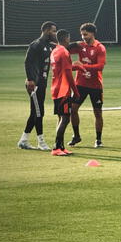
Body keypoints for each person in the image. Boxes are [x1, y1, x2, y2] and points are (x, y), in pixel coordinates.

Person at [18, 21, 57, 151]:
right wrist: (30, 79)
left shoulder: (50, 45)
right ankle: (41, 142)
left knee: (35, 112)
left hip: (42, 83)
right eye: (53, 31)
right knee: (39, 112)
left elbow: (64, 48)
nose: (54, 33)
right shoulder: (36, 44)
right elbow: (27, 62)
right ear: (46, 30)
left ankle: (23, 140)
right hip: (34, 84)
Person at [67, 23, 106, 148]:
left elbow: (100, 66)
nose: (83, 37)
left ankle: (98, 139)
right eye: (82, 34)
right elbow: (63, 50)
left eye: (85, 34)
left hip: (96, 85)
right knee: (73, 109)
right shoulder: (80, 46)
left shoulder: (100, 48)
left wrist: (81, 66)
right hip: (80, 84)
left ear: (92, 34)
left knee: (98, 112)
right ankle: (76, 136)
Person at [50, 29, 80, 156]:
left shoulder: (55, 51)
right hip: (63, 89)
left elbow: (63, 69)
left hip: (55, 88)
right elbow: (68, 73)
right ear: (66, 38)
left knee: (61, 117)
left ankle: (61, 147)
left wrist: (76, 66)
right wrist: (76, 91)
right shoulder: (64, 52)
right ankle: (56, 148)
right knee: (66, 119)